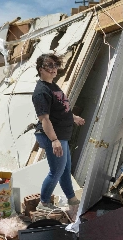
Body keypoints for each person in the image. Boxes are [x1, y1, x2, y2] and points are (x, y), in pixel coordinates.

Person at [32, 53, 85, 212]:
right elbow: (45, 119)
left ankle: (72, 199)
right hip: (53, 136)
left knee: (64, 170)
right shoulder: (41, 91)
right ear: (41, 69)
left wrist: (73, 117)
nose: (54, 69)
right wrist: (54, 140)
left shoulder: (53, 87)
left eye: (55, 65)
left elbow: (60, 109)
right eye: (49, 66)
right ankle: (44, 203)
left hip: (62, 135)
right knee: (56, 172)